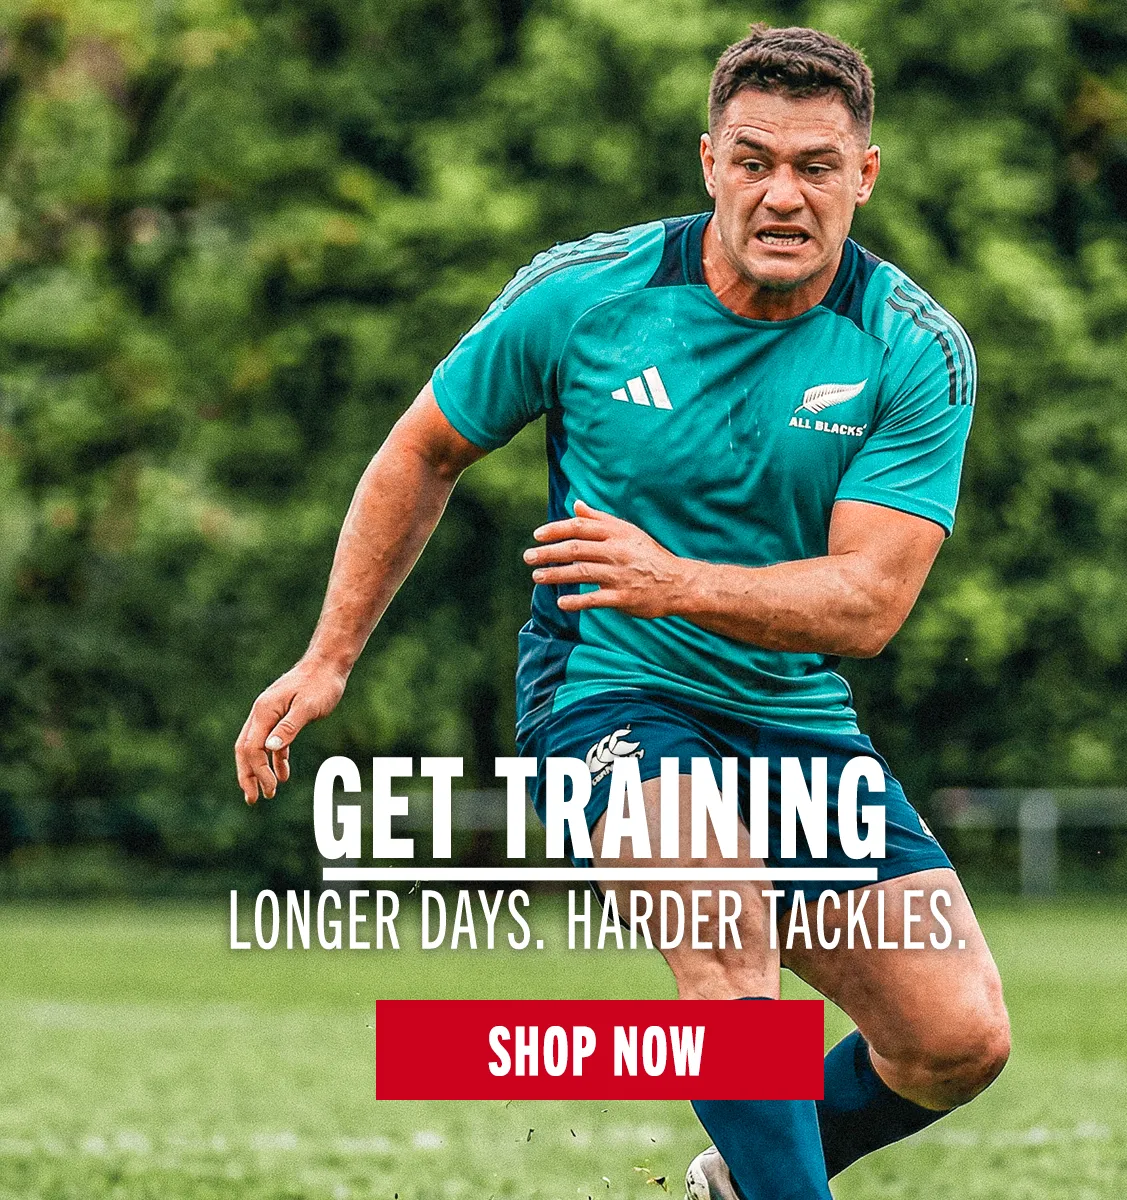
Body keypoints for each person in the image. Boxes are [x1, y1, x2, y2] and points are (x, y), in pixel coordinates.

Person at [234, 23, 1010, 1200]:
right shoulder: (586, 295)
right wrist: (329, 657)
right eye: (754, 161)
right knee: (728, 938)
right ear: (709, 164)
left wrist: (674, 579)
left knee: (956, 1037)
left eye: (815, 166)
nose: (783, 194)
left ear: (864, 175)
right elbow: (422, 449)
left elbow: (867, 604)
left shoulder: (913, 350)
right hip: (610, 691)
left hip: (793, 716)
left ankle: (738, 1182)